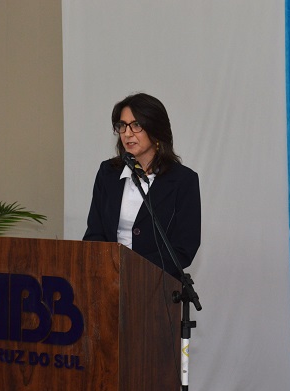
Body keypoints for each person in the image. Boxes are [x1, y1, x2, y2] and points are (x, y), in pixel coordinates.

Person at [83, 93, 201, 277]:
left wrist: (133, 270)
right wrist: (107, 269)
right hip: (107, 280)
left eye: (136, 125)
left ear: (155, 129)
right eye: (122, 126)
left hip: (155, 285)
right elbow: (94, 234)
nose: (127, 133)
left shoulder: (183, 180)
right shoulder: (108, 173)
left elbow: (184, 248)